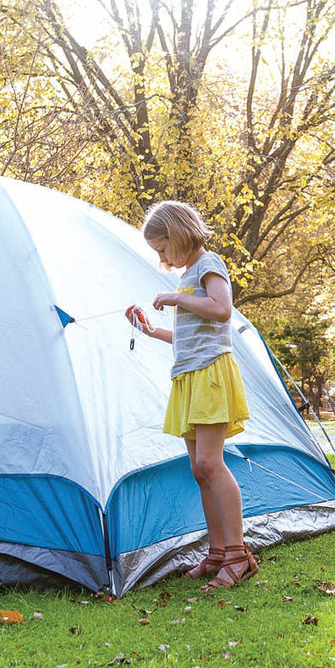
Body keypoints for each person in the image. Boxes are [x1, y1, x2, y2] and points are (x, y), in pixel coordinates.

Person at [126, 200, 257, 590]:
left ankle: (237, 554)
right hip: (188, 377)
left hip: (211, 375)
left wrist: (178, 298)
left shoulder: (209, 264)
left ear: (179, 233)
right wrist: (151, 331)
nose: (163, 258)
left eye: (163, 248)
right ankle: (217, 552)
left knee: (210, 464)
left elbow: (222, 310)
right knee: (199, 470)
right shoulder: (186, 276)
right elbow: (186, 336)